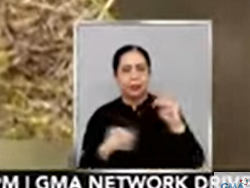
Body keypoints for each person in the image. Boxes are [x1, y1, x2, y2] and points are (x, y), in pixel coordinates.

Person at [77, 44, 206, 169]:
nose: (134, 76)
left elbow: (196, 162)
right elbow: (82, 171)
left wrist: (178, 127)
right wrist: (105, 150)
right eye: (126, 70)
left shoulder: (166, 110)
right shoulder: (102, 116)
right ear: (116, 76)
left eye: (140, 69)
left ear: (149, 73)